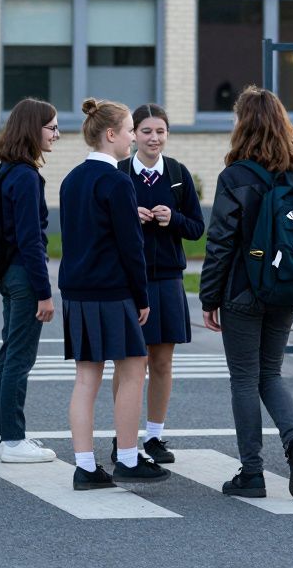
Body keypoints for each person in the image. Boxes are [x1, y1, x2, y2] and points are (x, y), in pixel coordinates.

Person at [199, 86, 293, 500]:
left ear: (243, 125)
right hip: (286, 289)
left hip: (242, 292)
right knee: (271, 373)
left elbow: (220, 243)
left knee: (245, 380)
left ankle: (252, 471)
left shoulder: (235, 177)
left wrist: (208, 298)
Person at [61, 98, 168, 489]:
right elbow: (131, 246)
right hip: (111, 290)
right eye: (128, 130)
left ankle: (85, 465)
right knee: (133, 368)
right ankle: (126, 457)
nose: (131, 137)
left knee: (86, 378)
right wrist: (142, 297)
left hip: (76, 289)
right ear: (111, 135)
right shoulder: (118, 182)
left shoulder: (71, 179)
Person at [114, 103, 204, 466]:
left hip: (167, 278)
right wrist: (127, 218)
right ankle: (124, 438)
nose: (154, 138)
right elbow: (102, 225)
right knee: (129, 363)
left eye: (160, 131)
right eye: (146, 131)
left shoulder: (179, 174)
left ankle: (154, 436)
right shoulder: (119, 173)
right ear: (133, 134)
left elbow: (197, 228)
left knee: (162, 362)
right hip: (127, 280)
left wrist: (173, 218)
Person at [0, 97, 58, 464]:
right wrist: (44, 294)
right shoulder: (26, 176)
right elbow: (32, 240)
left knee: (9, 354)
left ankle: (5, 436)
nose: (57, 134)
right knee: (19, 357)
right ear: (33, 129)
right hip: (24, 276)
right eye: (51, 127)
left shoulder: (6, 170)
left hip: (7, 273)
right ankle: (14, 439)